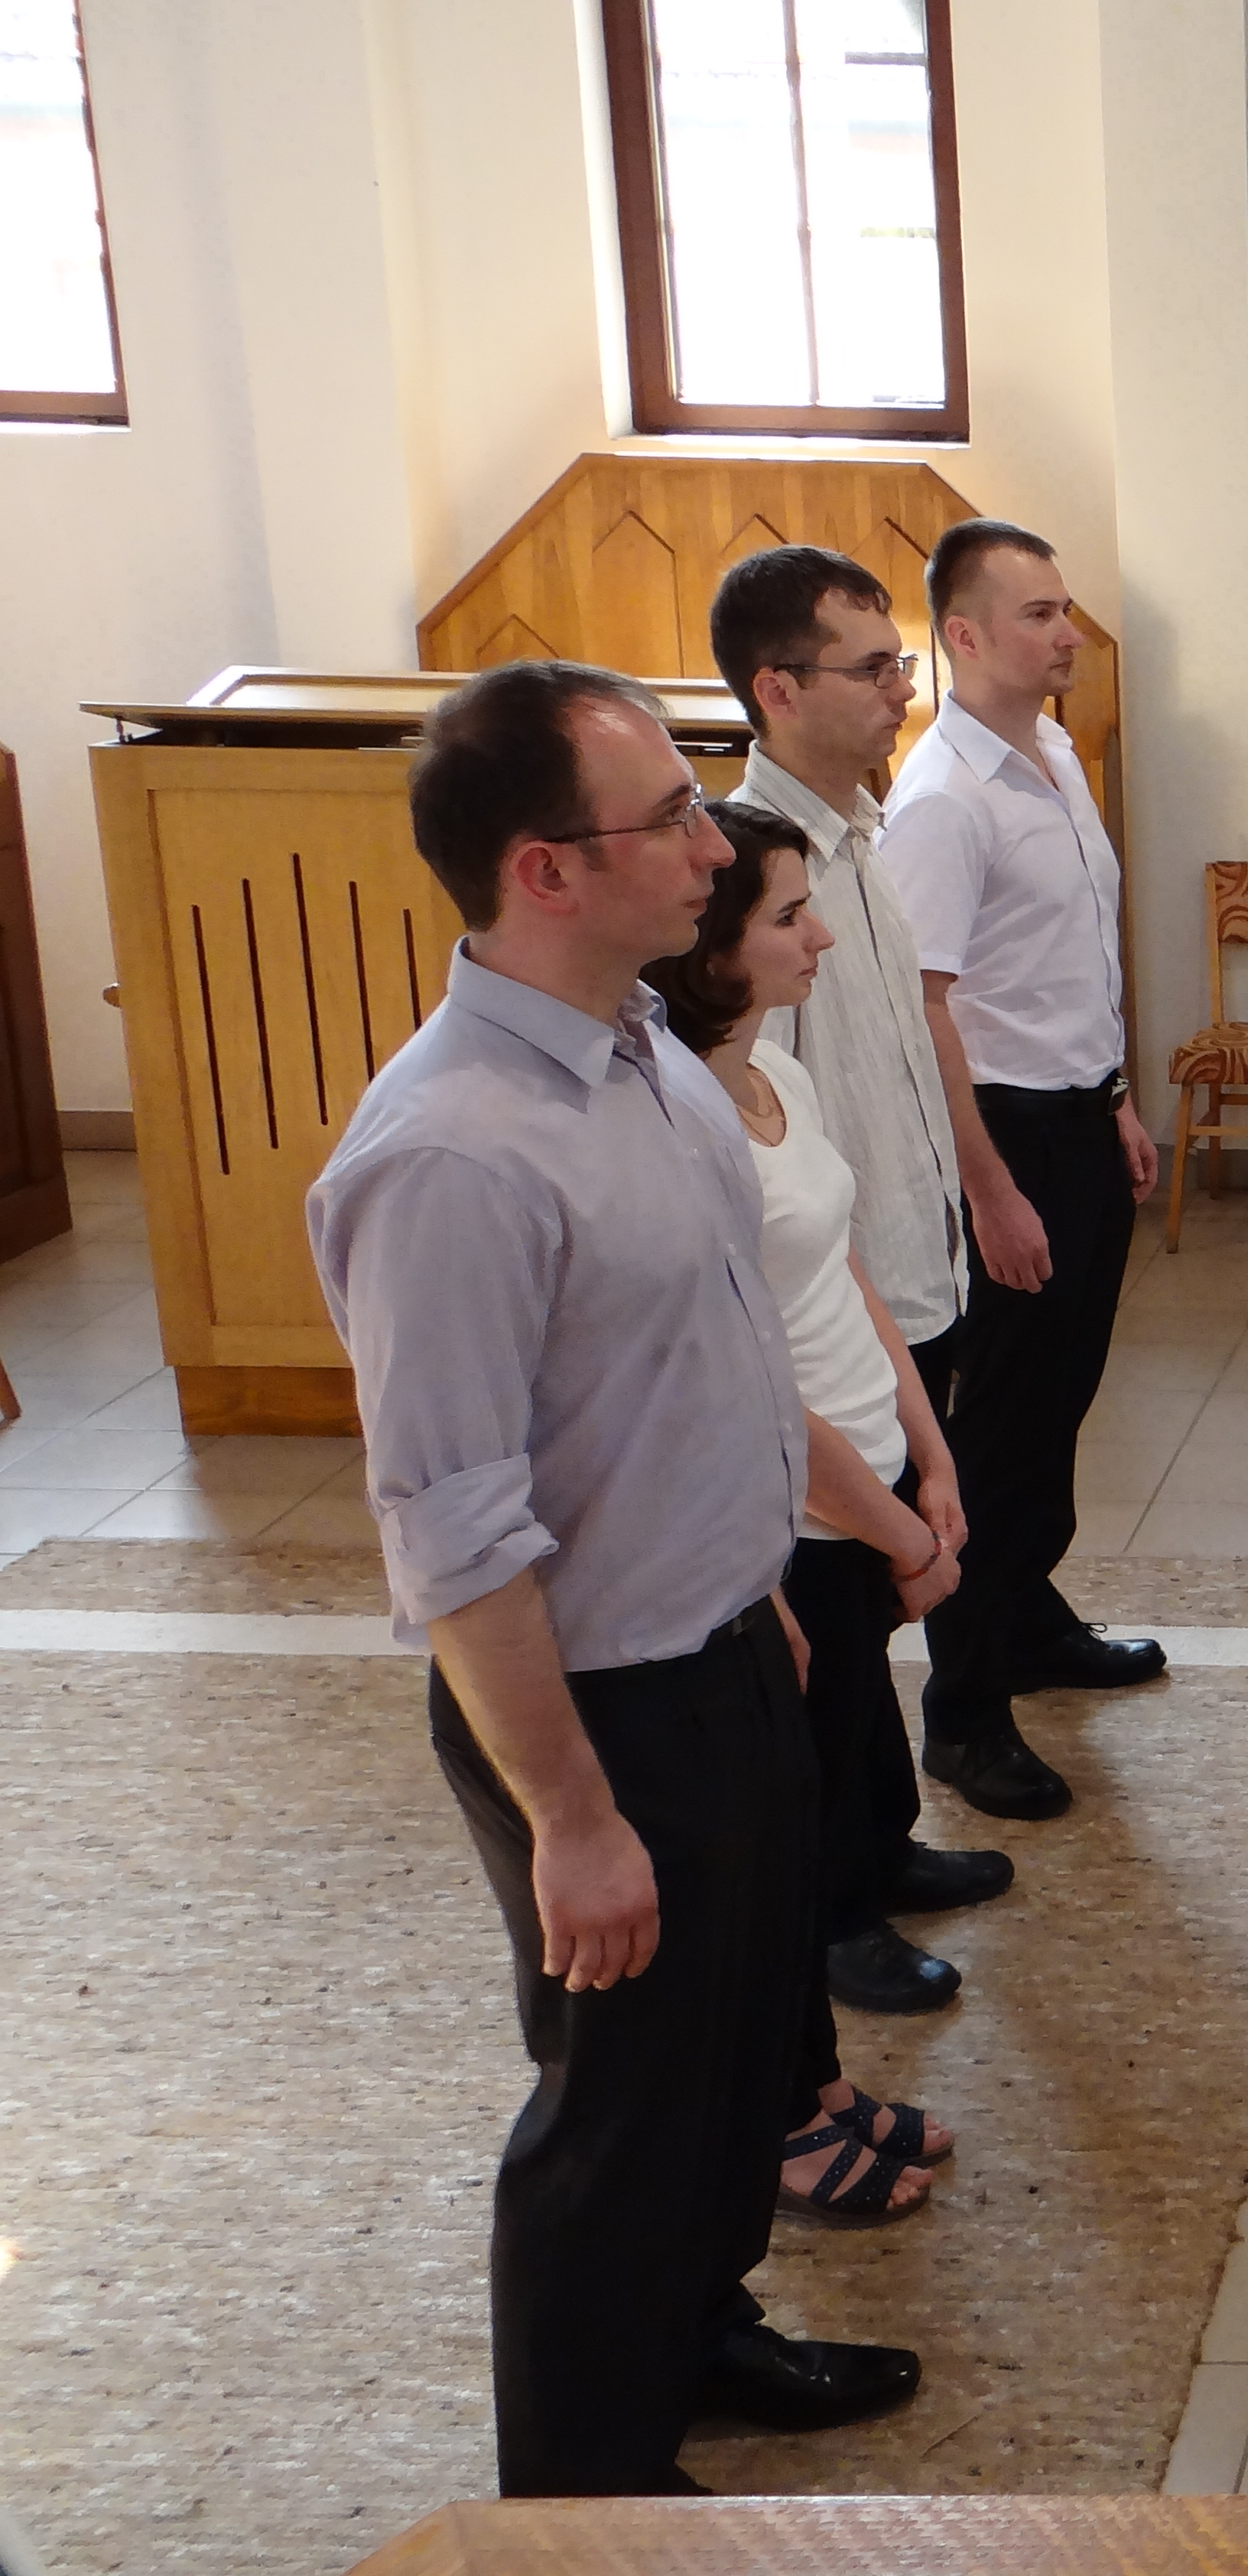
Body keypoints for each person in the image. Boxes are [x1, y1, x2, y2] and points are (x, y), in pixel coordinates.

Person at [305, 661, 918, 2495]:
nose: (714, 847)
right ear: (544, 870)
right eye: (668, 819)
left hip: (728, 1646)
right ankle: (580, 2497)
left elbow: (714, 1359)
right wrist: (571, 1816)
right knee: (620, 2110)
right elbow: (454, 1528)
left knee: (733, 2060)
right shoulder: (448, 1154)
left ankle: (701, 2337)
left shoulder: (652, 1055)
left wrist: (761, 1584)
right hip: (596, 1713)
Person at [645, 801, 971, 2224]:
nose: (821, 935)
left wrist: (929, 1452)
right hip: (795, 1512)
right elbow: (754, 1378)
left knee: (830, 1780)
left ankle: (820, 2088)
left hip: (868, 1474)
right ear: (709, 947)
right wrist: (894, 1531)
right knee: (786, 1834)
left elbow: (840, 1276)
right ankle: (783, 2115)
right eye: (787, 915)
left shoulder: (774, 1072)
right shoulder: (676, 1114)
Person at [713, 543, 1013, 2005]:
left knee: (869, 1611)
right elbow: (754, 1153)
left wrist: (970, 1197)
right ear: (778, 688)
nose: (904, 688)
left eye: (904, 662)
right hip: (817, 1303)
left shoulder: (863, 833)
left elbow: (897, 1057)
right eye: (876, 665)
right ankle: (831, 1909)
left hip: (894, 1270)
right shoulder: (745, 882)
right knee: (831, 1624)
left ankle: (881, 1845)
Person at [877, 519, 1166, 1822]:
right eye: (1038, 614)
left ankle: (1032, 1619)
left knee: (1060, 1397)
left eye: (1065, 609)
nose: (1067, 633)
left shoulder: (1052, 753)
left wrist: (1118, 1100)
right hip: (1002, 1135)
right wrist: (989, 1190)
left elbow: (1072, 961)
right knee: (995, 1428)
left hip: (1076, 1118)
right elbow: (924, 1006)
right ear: (964, 635)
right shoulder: (945, 799)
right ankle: (965, 1709)